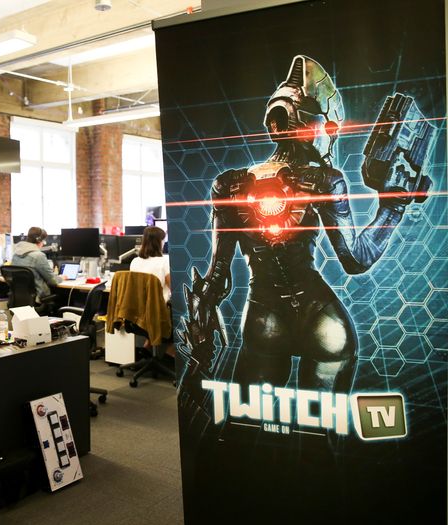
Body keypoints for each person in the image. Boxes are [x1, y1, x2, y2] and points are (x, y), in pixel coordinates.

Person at [185, 55, 429, 394]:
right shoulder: (325, 180)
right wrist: (392, 208)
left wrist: (200, 342)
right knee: (325, 432)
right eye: (327, 125)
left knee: (249, 423)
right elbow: (355, 259)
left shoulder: (229, 184)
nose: (330, 134)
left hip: (262, 317)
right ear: (306, 123)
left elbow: (215, 277)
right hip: (322, 321)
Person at [11, 226, 63, 301]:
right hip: (38, 299)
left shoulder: (15, 254)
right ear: (40, 241)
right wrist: (61, 278)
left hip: (18, 299)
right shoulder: (38, 256)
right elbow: (53, 281)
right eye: (44, 241)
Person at [130, 226, 171, 303]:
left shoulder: (134, 261)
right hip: (158, 309)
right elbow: (173, 288)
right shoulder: (165, 261)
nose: (164, 243)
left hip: (139, 308)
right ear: (159, 242)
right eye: (163, 240)